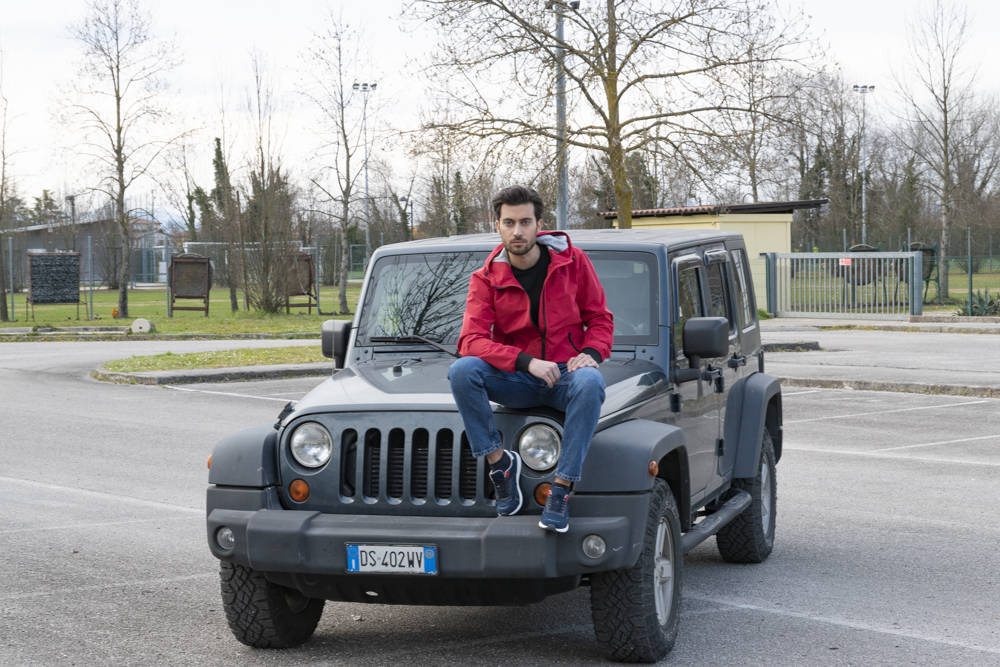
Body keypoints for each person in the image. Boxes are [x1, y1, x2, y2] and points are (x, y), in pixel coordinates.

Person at [449, 185, 614, 532]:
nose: (517, 231)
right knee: (462, 371)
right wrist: (525, 361)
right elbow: (470, 340)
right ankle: (500, 466)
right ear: (497, 225)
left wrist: (590, 353)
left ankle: (561, 489)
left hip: (566, 374)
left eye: (525, 222)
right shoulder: (486, 278)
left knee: (590, 380)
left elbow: (600, 318)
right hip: (518, 378)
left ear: (539, 224)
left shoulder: (573, 262)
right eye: (509, 223)